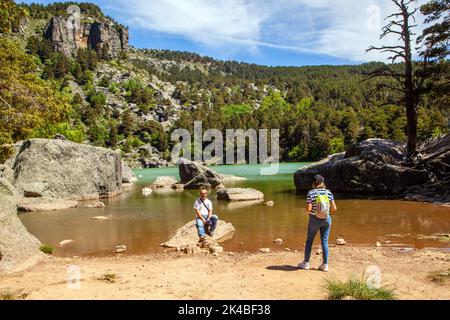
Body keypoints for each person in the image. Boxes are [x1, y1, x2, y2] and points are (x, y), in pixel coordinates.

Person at [298, 175, 337, 272]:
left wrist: (309, 210)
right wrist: (326, 213)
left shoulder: (311, 193)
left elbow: (309, 209)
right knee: (324, 241)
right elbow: (334, 209)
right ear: (322, 182)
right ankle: (325, 265)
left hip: (314, 219)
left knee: (309, 241)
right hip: (326, 219)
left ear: (313, 183)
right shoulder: (328, 192)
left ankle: (306, 263)